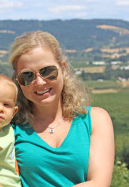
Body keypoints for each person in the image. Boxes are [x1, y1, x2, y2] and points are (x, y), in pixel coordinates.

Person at [8, 31, 115, 187]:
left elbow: (99, 183)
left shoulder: (95, 120)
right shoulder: (10, 126)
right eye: (28, 76)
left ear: (63, 68)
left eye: (47, 72)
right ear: (18, 81)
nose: (39, 82)